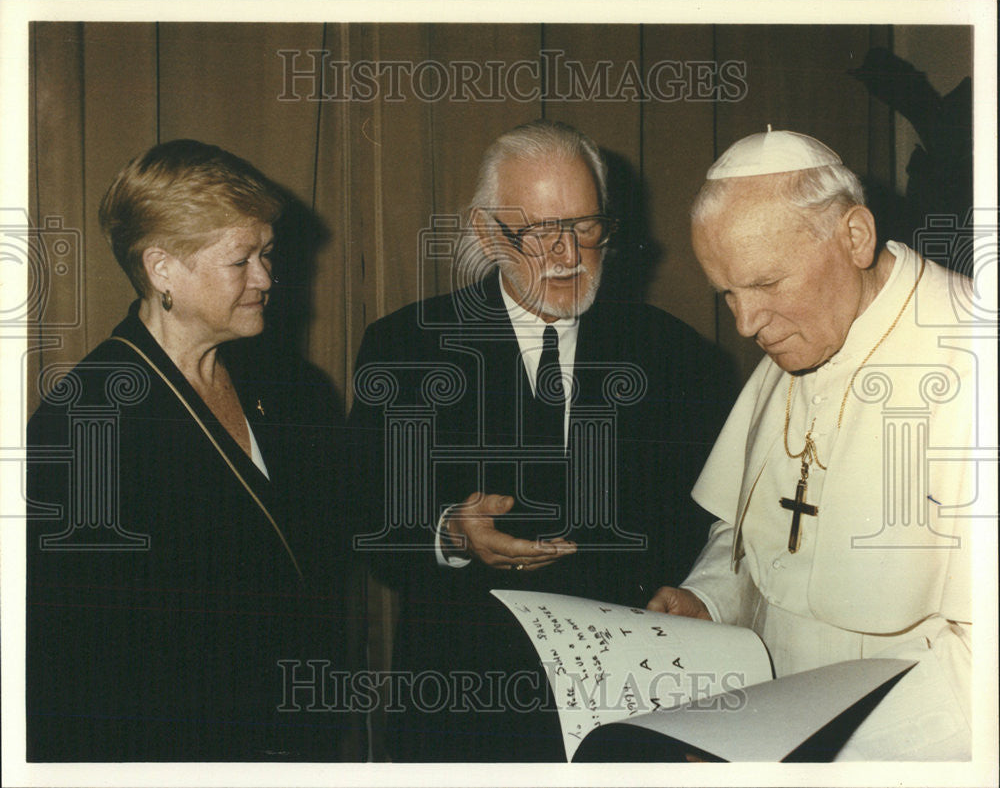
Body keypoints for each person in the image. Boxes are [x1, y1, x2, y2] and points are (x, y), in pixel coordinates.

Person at [348, 119, 733, 761]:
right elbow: (365, 521)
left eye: (585, 227)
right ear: (483, 234)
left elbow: (713, 523)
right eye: (535, 232)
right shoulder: (407, 348)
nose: (566, 256)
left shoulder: (677, 355)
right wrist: (449, 531)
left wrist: (699, 594)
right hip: (465, 706)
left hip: (631, 704)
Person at [647, 129, 976, 760]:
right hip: (768, 723)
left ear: (854, 237)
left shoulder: (971, 360)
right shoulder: (805, 331)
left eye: (766, 283)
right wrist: (712, 600)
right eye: (728, 294)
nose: (745, 325)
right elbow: (760, 526)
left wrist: (814, 752)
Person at [26, 140, 350, 760]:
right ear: (162, 268)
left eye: (268, 254)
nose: (266, 278)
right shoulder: (85, 425)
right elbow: (69, 672)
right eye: (241, 261)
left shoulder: (291, 389)